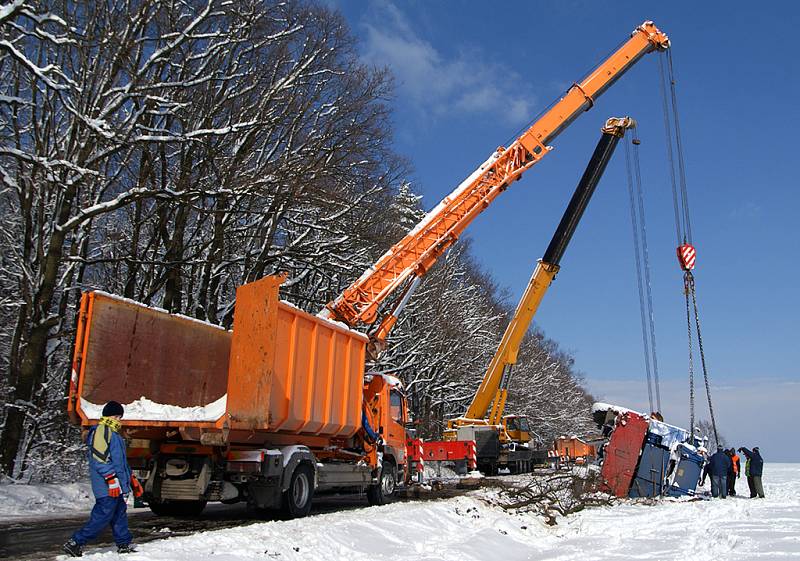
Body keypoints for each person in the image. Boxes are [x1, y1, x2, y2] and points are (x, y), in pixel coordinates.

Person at [63, 401, 143, 557]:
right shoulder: (102, 431)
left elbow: (121, 463)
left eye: (120, 417)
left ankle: (123, 544)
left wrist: (130, 479)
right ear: (107, 416)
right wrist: (111, 479)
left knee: (119, 514)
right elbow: (99, 460)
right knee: (102, 516)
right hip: (106, 486)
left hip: (116, 485)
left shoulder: (115, 434)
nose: (118, 419)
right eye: (116, 416)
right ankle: (75, 542)